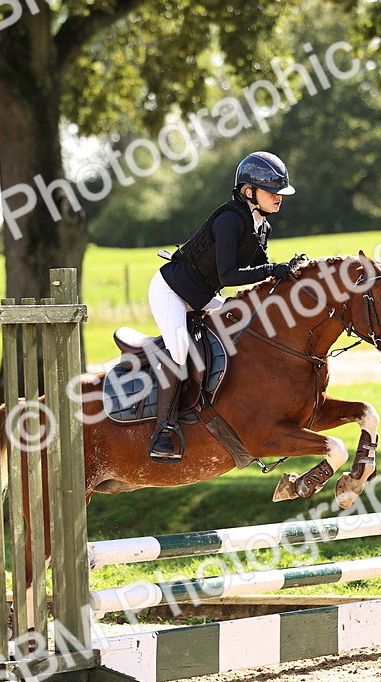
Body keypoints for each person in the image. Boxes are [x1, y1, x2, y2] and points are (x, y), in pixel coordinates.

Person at [146, 151, 305, 462]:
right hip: (171, 291)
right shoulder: (230, 220)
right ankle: (163, 430)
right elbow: (229, 276)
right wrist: (273, 270)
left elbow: (261, 270)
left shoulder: (262, 227)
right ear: (249, 191)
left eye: (280, 192)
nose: (279, 198)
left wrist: (288, 272)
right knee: (180, 349)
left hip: (201, 294)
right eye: (272, 191)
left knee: (243, 331)